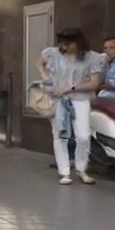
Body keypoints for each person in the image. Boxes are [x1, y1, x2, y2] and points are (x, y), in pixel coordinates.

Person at [37, 27, 105, 185]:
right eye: (61, 42)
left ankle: (81, 169)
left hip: (80, 98)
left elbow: (94, 83)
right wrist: (45, 77)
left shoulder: (92, 57)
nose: (63, 46)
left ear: (78, 42)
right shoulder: (53, 53)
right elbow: (39, 63)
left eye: (67, 43)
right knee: (60, 135)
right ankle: (64, 172)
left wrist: (71, 87)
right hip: (58, 98)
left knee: (83, 136)